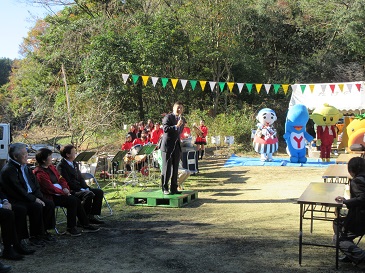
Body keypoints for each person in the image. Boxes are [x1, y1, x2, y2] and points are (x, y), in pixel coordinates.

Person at [0, 143, 56, 247]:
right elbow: (18, 189)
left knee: (48, 204)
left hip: (29, 196)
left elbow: (35, 184)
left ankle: (44, 232)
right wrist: (34, 199)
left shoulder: (25, 167)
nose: (27, 156)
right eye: (24, 154)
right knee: (35, 206)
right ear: (16, 156)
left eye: (27, 153)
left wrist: (39, 196)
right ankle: (34, 236)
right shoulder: (9, 169)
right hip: (18, 198)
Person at [34, 148, 100, 236]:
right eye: (50, 156)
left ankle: (84, 223)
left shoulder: (51, 167)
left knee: (75, 200)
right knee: (73, 200)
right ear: (43, 160)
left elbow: (61, 178)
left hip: (61, 192)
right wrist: (63, 191)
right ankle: (72, 227)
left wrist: (65, 187)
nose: (51, 158)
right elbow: (48, 188)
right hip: (51, 196)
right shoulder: (39, 172)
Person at [56, 145, 104, 225]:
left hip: (80, 187)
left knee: (99, 192)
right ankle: (83, 219)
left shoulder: (74, 163)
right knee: (88, 194)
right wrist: (81, 189)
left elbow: (80, 178)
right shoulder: (61, 166)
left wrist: (86, 187)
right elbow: (67, 181)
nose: (75, 153)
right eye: (73, 152)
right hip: (71, 190)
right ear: (67, 154)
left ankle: (91, 216)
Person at [334, 156, 365, 264]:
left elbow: (362, 199)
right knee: (338, 223)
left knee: (339, 239)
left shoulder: (357, 181)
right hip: (359, 216)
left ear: (352, 170)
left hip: (360, 219)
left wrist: (345, 202)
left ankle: (360, 256)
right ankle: (351, 255)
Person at [0, 191, 35, 262]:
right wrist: (1, 206)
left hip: (2, 204)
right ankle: (8, 249)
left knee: (20, 210)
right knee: (8, 214)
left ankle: (17, 244)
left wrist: (5, 201)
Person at [160, 102, 185, 195]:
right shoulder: (168, 117)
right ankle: (164, 187)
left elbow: (179, 132)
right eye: (178, 108)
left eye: (181, 108)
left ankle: (174, 188)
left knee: (175, 168)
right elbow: (165, 129)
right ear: (174, 108)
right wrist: (176, 126)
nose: (179, 110)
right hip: (167, 147)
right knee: (166, 168)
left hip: (177, 147)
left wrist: (179, 126)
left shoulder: (182, 119)